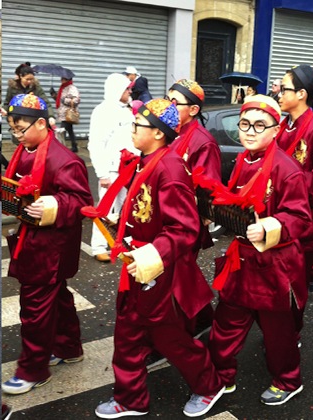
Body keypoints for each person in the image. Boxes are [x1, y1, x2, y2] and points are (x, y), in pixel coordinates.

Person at [94, 98, 226, 419]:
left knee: (170, 338)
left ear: (157, 133)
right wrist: (122, 226)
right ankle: (131, 399)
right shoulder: (145, 160)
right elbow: (146, 212)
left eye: (138, 125)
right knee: (128, 333)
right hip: (138, 264)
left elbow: (185, 228)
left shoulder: (169, 167)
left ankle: (209, 384)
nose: (132, 129)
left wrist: (152, 253)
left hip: (159, 271)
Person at [207, 95, 312, 406]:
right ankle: (221, 376)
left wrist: (269, 227)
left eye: (259, 125)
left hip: (274, 264)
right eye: (244, 124)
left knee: (277, 331)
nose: (250, 132)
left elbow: (300, 217)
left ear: (275, 130)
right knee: (226, 321)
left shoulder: (287, 168)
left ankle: (288, 380)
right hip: (241, 260)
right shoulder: (243, 160)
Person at [1, 94, 92, 395]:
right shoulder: (25, 150)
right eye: (12, 129)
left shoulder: (65, 160)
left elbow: (81, 201)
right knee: (59, 297)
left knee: (34, 306)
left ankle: (33, 368)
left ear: (42, 123)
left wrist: (53, 205)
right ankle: (67, 346)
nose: (17, 135)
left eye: (21, 128)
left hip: (51, 245)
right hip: (33, 236)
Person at [275, 64, 313, 296]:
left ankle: (290, 329)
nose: (279, 94)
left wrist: (288, 179)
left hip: (305, 220)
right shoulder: (280, 128)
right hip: (278, 214)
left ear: (301, 94)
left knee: (294, 283)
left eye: (284, 89)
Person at [167, 79, 221, 338]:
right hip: (166, 217)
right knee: (179, 275)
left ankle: (181, 332)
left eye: (176, 102)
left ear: (194, 110)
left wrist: (200, 219)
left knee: (177, 275)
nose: (170, 105)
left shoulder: (202, 141)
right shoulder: (168, 131)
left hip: (186, 221)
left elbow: (208, 187)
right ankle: (204, 319)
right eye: (168, 99)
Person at [88, 73, 137, 263]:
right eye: (127, 88)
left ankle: (125, 243)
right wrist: (102, 173)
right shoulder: (103, 111)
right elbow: (96, 144)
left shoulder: (127, 109)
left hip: (129, 168)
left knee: (128, 208)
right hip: (111, 170)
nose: (130, 91)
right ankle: (98, 246)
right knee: (105, 209)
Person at [55, 76, 81, 152]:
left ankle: (60, 148)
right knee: (70, 130)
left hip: (67, 114)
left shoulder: (72, 88)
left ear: (67, 79)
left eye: (63, 79)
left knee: (61, 131)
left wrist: (65, 100)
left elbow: (76, 100)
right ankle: (74, 146)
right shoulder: (63, 88)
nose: (61, 80)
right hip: (64, 113)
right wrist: (54, 95)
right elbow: (60, 100)